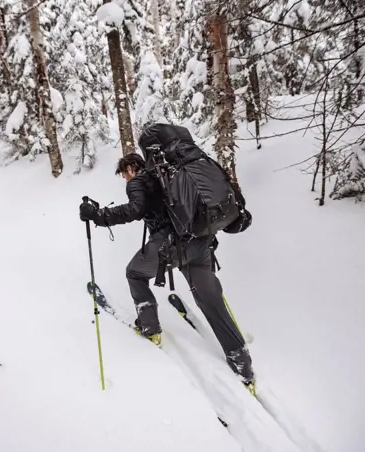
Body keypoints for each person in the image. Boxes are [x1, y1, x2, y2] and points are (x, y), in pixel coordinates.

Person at [78, 124, 255, 388]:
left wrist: (99, 216)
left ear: (129, 169)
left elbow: (135, 209)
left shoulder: (139, 180)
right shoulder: (174, 172)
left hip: (170, 247)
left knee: (135, 273)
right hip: (201, 243)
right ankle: (243, 366)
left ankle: (150, 329)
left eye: (124, 175)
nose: (125, 180)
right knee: (210, 301)